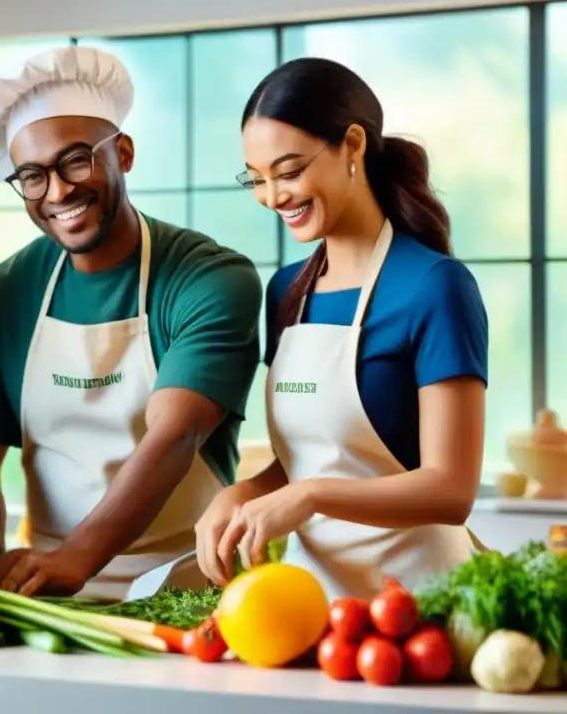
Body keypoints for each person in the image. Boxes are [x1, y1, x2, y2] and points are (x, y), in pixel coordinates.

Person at [0, 45, 263, 600]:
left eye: (75, 160)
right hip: (46, 596)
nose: (59, 191)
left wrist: (78, 557)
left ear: (124, 152)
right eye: (33, 177)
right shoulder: (3, 294)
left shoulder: (210, 278)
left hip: (187, 590)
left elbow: (175, 434)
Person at [194, 57, 488, 601]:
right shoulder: (286, 292)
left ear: (352, 145)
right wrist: (242, 493)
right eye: (256, 179)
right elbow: (314, 456)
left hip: (422, 605)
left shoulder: (435, 286)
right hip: (312, 608)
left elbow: (452, 489)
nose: (274, 197)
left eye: (288, 171)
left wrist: (310, 496)